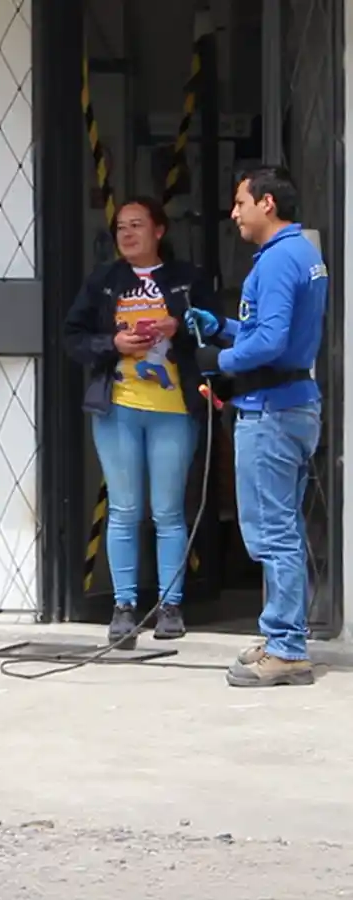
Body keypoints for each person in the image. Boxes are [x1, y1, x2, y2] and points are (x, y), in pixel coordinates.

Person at [186, 166, 327, 688]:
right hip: (292, 406)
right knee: (282, 527)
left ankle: (287, 648)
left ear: (267, 203)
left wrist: (216, 361)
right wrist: (222, 327)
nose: (234, 213)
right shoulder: (300, 256)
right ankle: (280, 635)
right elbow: (268, 331)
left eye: (240, 202)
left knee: (272, 534)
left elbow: (267, 346)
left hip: (271, 412)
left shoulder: (276, 262)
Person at [64, 197, 218, 644]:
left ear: (159, 231)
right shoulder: (104, 282)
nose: (127, 234)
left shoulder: (187, 281)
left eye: (136, 225)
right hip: (119, 406)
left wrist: (180, 327)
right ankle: (124, 607)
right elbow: (73, 337)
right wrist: (113, 342)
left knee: (168, 511)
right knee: (124, 510)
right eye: (120, 228)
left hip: (173, 409)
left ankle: (170, 606)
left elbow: (216, 332)